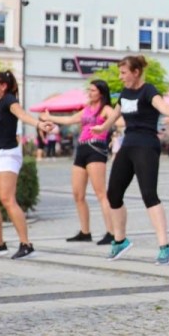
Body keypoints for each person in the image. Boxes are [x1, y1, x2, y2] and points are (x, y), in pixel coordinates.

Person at [94, 57, 169, 264]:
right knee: (113, 194)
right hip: (128, 145)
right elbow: (115, 114)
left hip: (146, 145)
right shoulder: (126, 93)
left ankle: (164, 247)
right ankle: (120, 240)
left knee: (149, 195)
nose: (121, 77)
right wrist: (102, 128)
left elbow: (162, 106)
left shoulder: (148, 90)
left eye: (124, 73)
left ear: (136, 72)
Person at [0, 71, 50, 259]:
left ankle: (26, 244)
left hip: (7, 154)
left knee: (7, 199)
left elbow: (22, 115)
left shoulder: (9, 100)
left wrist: (38, 124)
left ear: (3, 86)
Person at [42, 81, 115, 245]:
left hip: (96, 149)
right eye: (89, 89)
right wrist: (49, 117)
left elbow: (119, 120)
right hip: (81, 149)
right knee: (78, 194)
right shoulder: (86, 109)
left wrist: (104, 126)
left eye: (93, 90)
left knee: (101, 193)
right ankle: (85, 231)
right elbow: (70, 119)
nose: (89, 92)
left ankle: (111, 232)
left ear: (101, 93)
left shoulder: (106, 109)